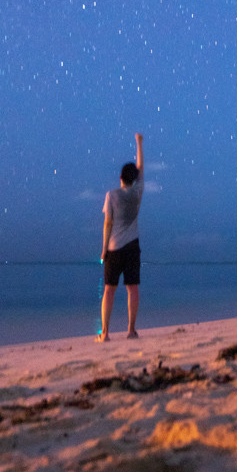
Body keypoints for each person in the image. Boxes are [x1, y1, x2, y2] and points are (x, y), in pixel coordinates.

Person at [98, 132, 144, 341]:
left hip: (114, 247)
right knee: (132, 288)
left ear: (120, 178)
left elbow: (108, 223)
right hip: (132, 246)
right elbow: (141, 169)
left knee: (109, 290)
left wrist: (104, 248)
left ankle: (105, 333)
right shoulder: (137, 193)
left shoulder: (112, 195)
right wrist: (139, 144)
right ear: (134, 179)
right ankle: (131, 330)